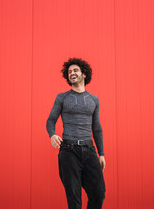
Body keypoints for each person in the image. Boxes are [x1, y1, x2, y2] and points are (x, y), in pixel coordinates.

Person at [46, 57, 106, 209]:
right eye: (69, 71)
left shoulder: (94, 99)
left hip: (89, 150)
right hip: (69, 151)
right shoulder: (62, 97)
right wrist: (52, 134)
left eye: (75, 70)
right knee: (74, 198)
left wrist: (101, 154)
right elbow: (50, 120)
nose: (72, 73)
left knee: (99, 192)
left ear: (84, 74)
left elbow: (97, 128)